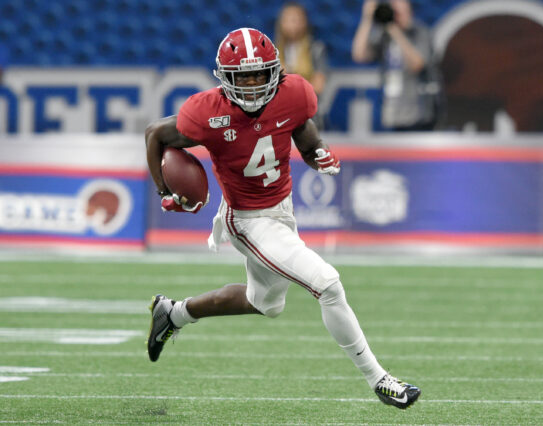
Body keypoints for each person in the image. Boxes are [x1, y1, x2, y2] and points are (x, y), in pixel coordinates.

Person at [144, 27, 421, 409]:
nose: (255, 86)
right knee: (327, 284)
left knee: (264, 304)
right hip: (247, 219)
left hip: (282, 209)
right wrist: (164, 191)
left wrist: (319, 154)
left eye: (260, 75)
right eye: (244, 78)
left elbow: (305, 137)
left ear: (276, 72)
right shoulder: (206, 112)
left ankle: (172, 314)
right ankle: (379, 379)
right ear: (226, 79)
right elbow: (154, 134)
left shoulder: (294, 94)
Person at [352, 0, 442, 131]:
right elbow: (359, 55)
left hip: (418, 114)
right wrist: (367, 20)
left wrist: (394, 30)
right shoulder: (384, 36)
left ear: (408, 9)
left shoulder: (419, 32)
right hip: (392, 112)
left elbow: (417, 64)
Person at [274, 2, 329, 128]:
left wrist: (288, 77)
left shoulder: (315, 49)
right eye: (288, 20)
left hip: (308, 117)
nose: (293, 25)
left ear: (305, 22)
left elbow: (319, 86)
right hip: (280, 117)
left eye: (297, 20)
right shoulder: (273, 51)